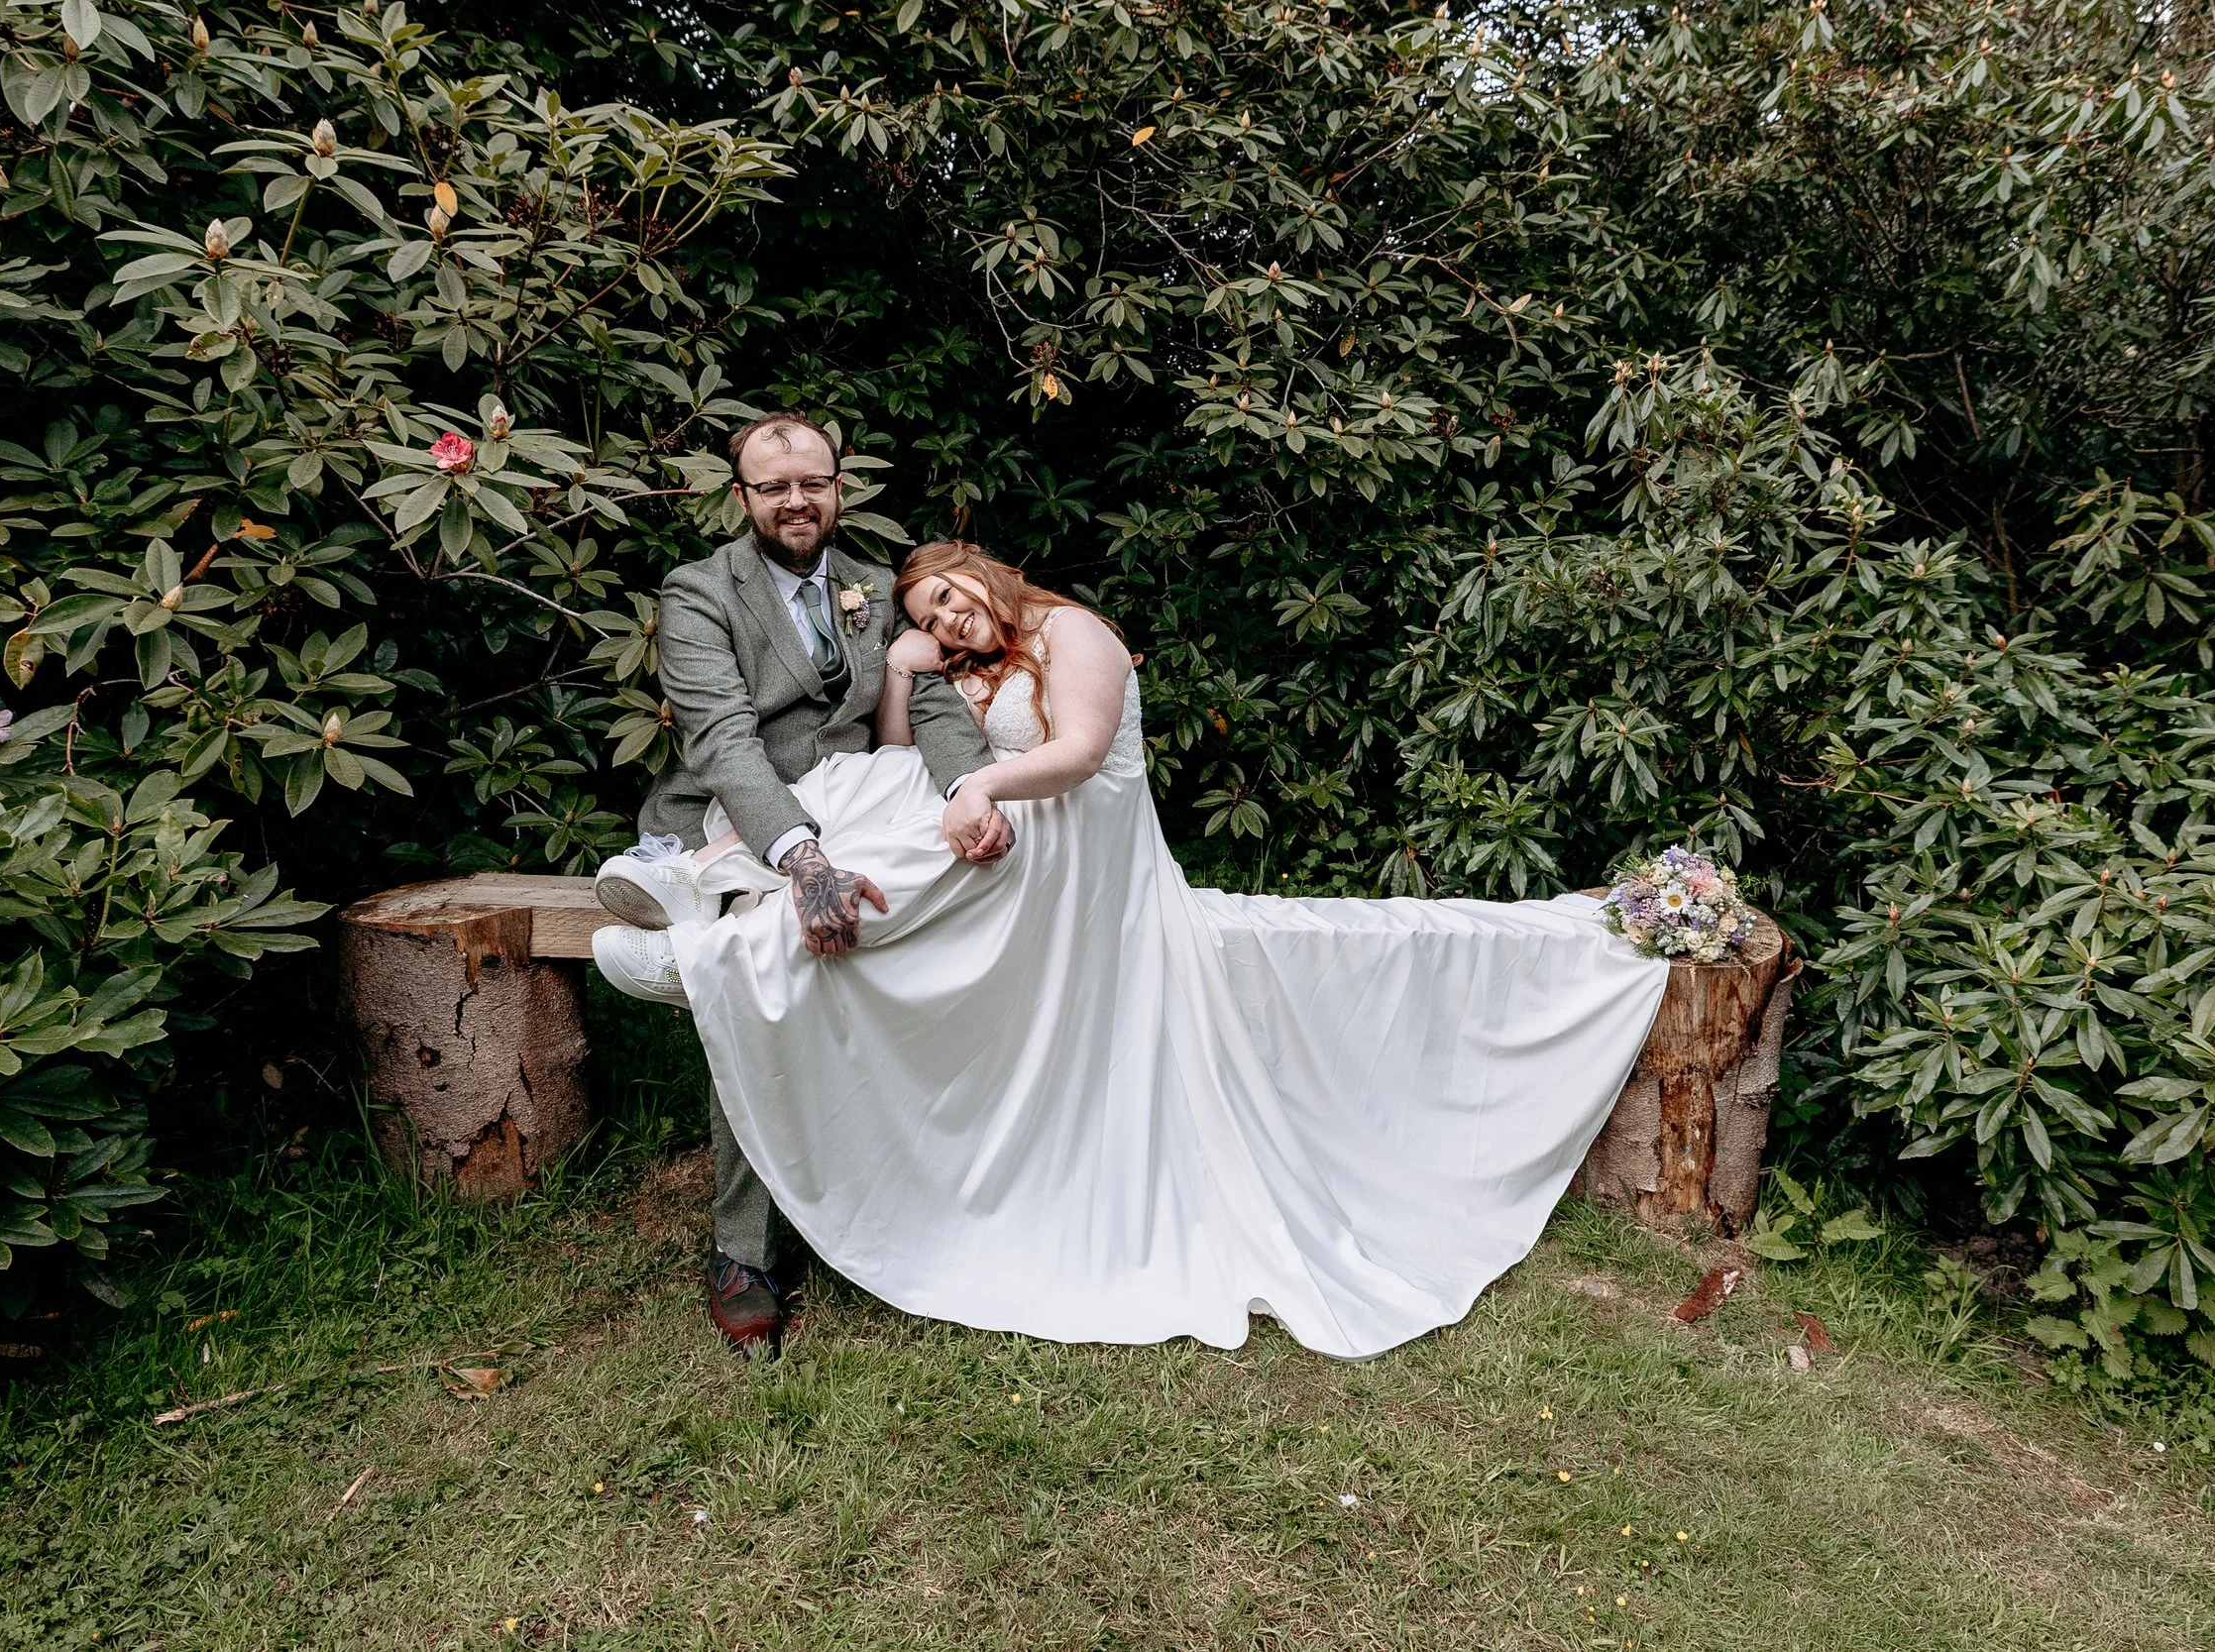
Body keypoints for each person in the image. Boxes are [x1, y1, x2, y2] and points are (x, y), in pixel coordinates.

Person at [593, 535, 1673, 1363]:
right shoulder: (967, 661)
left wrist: (975, 783)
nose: (953, 621)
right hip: (1021, 844)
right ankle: (701, 891)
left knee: (941, 826)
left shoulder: (1075, 634)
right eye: (930, 614)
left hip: (1085, 845)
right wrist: (906, 670)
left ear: (982, 568)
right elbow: (893, 756)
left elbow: (1076, 752)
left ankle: (705, 952)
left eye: (953, 599)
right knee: (889, 796)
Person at [589, 412, 1010, 1358]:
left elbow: (933, 696)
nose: (795, 500)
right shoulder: (701, 591)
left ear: (837, 487)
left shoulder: (878, 579)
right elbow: (723, 740)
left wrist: (968, 786)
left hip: (862, 800)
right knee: (768, 965)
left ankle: (684, 936)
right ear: (739, 496)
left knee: (941, 900)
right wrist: (804, 860)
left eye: (811, 482)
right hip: (741, 814)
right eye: (772, 485)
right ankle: (744, 1252)